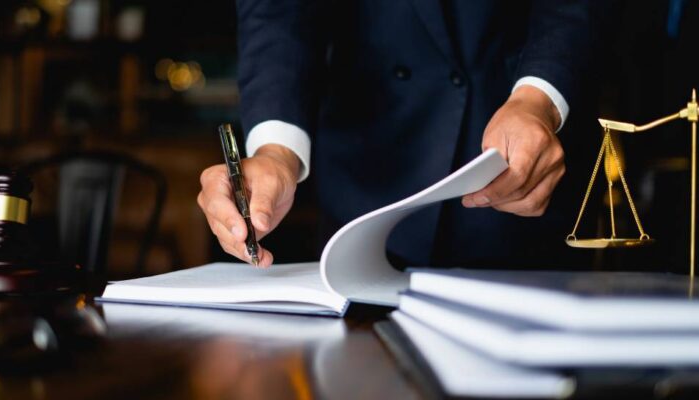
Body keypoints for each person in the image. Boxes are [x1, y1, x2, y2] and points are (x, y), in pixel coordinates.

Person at [198, 0, 611, 269]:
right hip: (367, 193)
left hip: (522, 177)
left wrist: (537, 99)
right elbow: (278, 15)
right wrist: (275, 153)